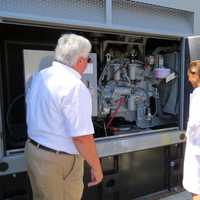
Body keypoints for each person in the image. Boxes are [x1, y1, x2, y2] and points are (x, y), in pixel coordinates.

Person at [25, 33, 103, 200]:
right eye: (88, 60)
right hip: (58, 160)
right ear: (80, 61)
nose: (87, 64)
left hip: (34, 151)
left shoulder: (40, 76)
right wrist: (96, 167)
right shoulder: (75, 86)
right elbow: (82, 137)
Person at [183, 60, 200, 200]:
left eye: (189, 76)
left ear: (196, 76)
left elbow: (194, 122)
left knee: (196, 187)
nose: (188, 79)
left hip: (197, 149)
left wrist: (187, 134)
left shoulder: (198, 96)